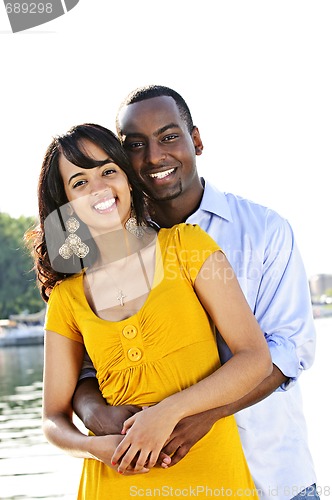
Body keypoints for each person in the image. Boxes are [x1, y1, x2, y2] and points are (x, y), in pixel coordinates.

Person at [72, 86, 319, 500]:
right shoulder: (105, 253)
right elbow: (83, 370)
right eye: (136, 145)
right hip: (165, 484)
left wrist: (199, 415)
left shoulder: (263, 231)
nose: (154, 157)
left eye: (169, 136)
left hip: (273, 477)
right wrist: (98, 415)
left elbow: (290, 349)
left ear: (197, 141)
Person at [27, 123, 272, 498]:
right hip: (113, 483)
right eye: (79, 183)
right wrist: (94, 448)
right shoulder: (66, 298)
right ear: (65, 204)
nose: (99, 189)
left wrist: (168, 412)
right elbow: (52, 417)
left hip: (213, 478)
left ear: (127, 178)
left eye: (108, 171)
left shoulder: (187, 247)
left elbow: (255, 357)